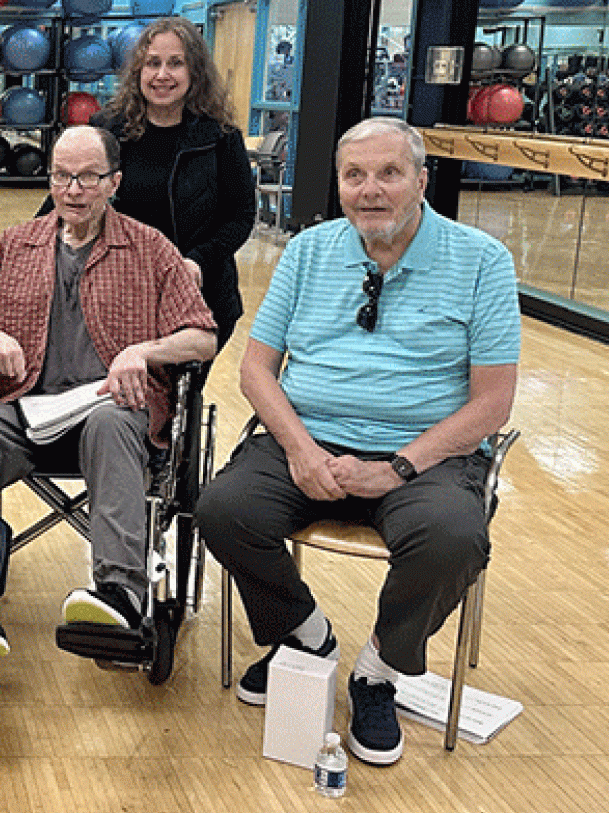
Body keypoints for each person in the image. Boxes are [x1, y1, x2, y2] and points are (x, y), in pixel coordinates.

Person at [196, 117, 520, 767]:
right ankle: (306, 636)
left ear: (422, 181)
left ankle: (377, 671)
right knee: (223, 509)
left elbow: (493, 401)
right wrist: (299, 449)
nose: (371, 189)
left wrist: (399, 467)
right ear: (339, 184)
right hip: (307, 440)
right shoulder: (308, 252)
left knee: (453, 537)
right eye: (355, 175)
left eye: (389, 173)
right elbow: (257, 368)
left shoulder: (481, 261)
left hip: (426, 457)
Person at [0, 125, 217, 658]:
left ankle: (120, 591)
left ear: (114, 182)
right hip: (26, 410)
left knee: (110, 420)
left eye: (87, 177)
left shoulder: (150, 248)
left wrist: (144, 351)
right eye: (62, 176)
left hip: (113, 415)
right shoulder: (17, 243)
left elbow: (201, 336)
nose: (73, 189)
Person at [41, 16, 254, 354]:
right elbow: (67, 196)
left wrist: (198, 261)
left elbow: (240, 217)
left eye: (176, 63)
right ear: (138, 69)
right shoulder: (108, 128)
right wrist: (27, 247)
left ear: (194, 72)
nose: (162, 75)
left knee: (176, 396)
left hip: (199, 295)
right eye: (152, 63)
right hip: (117, 292)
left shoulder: (220, 137)